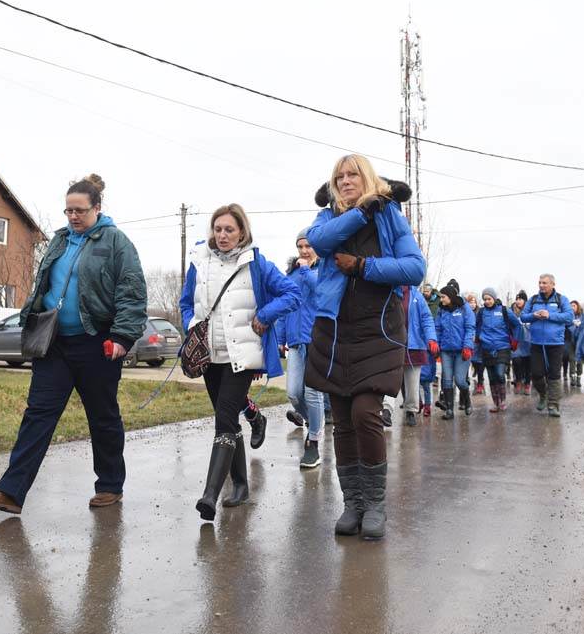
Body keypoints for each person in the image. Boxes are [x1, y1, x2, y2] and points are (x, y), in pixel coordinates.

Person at [0, 175, 147, 515]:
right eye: (68, 210)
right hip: (55, 343)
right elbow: (44, 284)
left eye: (79, 210)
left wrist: (123, 338)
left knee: (102, 416)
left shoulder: (116, 243)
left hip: (97, 343)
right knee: (38, 414)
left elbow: (131, 292)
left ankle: (110, 485)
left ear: (97, 208)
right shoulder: (60, 240)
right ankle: (11, 491)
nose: (72, 216)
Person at [304, 154, 426, 541]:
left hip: (379, 329)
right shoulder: (329, 218)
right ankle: (352, 503)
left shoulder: (390, 216)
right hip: (335, 329)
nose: (345, 181)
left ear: (368, 177)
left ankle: (374, 504)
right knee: (341, 419)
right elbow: (319, 242)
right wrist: (358, 213)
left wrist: (361, 267)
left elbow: (414, 268)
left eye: (353, 174)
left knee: (365, 414)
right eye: (339, 176)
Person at [181, 204, 300, 521]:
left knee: (223, 418)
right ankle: (242, 486)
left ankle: (209, 495)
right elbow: (185, 302)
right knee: (229, 420)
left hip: (242, 356)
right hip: (209, 354)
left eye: (229, 229)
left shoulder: (257, 263)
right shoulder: (198, 261)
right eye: (217, 229)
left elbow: (292, 293)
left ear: (242, 232)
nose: (222, 235)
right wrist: (190, 329)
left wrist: (265, 316)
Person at [274, 230, 324, 468]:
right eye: (300, 247)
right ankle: (313, 423)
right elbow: (286, 306)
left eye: (308, 246)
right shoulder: (292, 275)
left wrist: (305, 269)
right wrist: (280, 337)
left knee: (313, 393)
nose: (304, 251)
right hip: (295, 341)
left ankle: (313, 442)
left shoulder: (321, 270)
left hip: (317, 340)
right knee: (294, 393)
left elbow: (321, 293)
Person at [520, 274, 574, 418]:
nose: (541, 285)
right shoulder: (533, 300)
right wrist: (534, 315)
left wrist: (549, 315)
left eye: (544, 283)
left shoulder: (561, 299)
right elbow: (523, 316)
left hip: (556, 343)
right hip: (537, 342)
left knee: (554, 374)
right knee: (536, 374)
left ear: (552, 284)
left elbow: (569, 317)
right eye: (540, 283)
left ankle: (553, 405)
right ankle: (543, 395)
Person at [476, 287, 521, 413]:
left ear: (494, 298)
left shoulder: (504, 310)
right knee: (491, 377)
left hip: (502, 347)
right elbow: (477, 326)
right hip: (486, 348)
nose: (487, 301)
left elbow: (517, 325)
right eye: (485, 299)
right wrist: (478, 337)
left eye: (489, 299)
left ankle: (503, 401)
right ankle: (496, 403)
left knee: (500, 374)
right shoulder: (481, 312)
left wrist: (515, 340)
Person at [435, 284, 476, 420]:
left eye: (443, 297)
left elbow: (470, 328)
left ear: (451, 297)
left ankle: (467, 401)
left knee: (459, 380)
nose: (441, 300)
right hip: (446, 350)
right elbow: (438, 328)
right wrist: (436, 345)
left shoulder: (464, 308)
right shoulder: (441, 310)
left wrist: (467, 346)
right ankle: (449, 410)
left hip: (461, 351)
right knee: (446, 380)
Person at [402, 285, 439, 423]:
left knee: (413, 382)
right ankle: (387, 410)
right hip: (392, 345)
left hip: (414, 345)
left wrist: (431, 338)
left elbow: (427, 319)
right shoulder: (388, 292)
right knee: (389, 379)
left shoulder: (417, 296)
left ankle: (411, 410)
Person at [510, 291, 532, 395]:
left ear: (525, 301)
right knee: (516, 361)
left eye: (520, 299)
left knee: (528, 363)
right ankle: (518, 381)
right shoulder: (512, 311)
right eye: (517, 299)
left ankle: (527, 383)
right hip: (517, 341)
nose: (518, 301)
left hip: (528, 341)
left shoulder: (530, 311)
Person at [465, 292, 486, 395]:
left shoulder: (480, 312)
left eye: (474, 302)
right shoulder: (465, 312)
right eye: (470, 302)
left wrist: (479, 336)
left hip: (479, 340)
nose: (472, 304)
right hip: (469, 341)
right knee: (472, 361)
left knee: (480, 362)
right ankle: (475, 374)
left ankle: (480, 382)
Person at [564, 300, 584, 387]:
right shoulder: (568, 316)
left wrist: (580, 325)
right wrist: (571, 324)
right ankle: (572, 377)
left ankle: (578, 378)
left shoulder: (583, 316)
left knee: (579, 360)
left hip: (580, 342)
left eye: (574, 305)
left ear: (577, 306)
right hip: (569, 341)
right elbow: (564, 324)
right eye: (571, 306)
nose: (572, 307)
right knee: (572, 359)